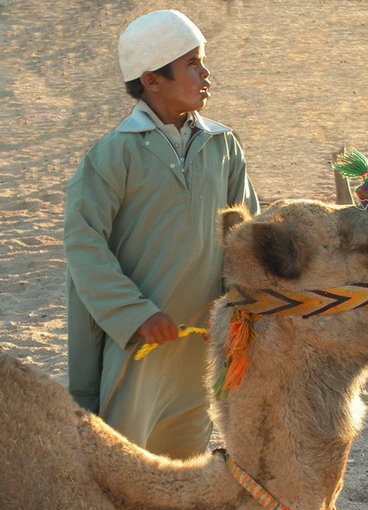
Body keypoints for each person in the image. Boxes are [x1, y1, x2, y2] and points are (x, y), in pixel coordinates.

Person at [64, 9, 259, 459]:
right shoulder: (113, 154)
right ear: (152, 80)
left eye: (202, 61)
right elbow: (83, 242)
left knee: (183, 466)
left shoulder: (223, 145)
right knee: (122, 461)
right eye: (192, 63)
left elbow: (244, 232)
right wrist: (135, 314)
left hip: (200, 342)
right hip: (137, 343)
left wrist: (241, 309)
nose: (206, 74)